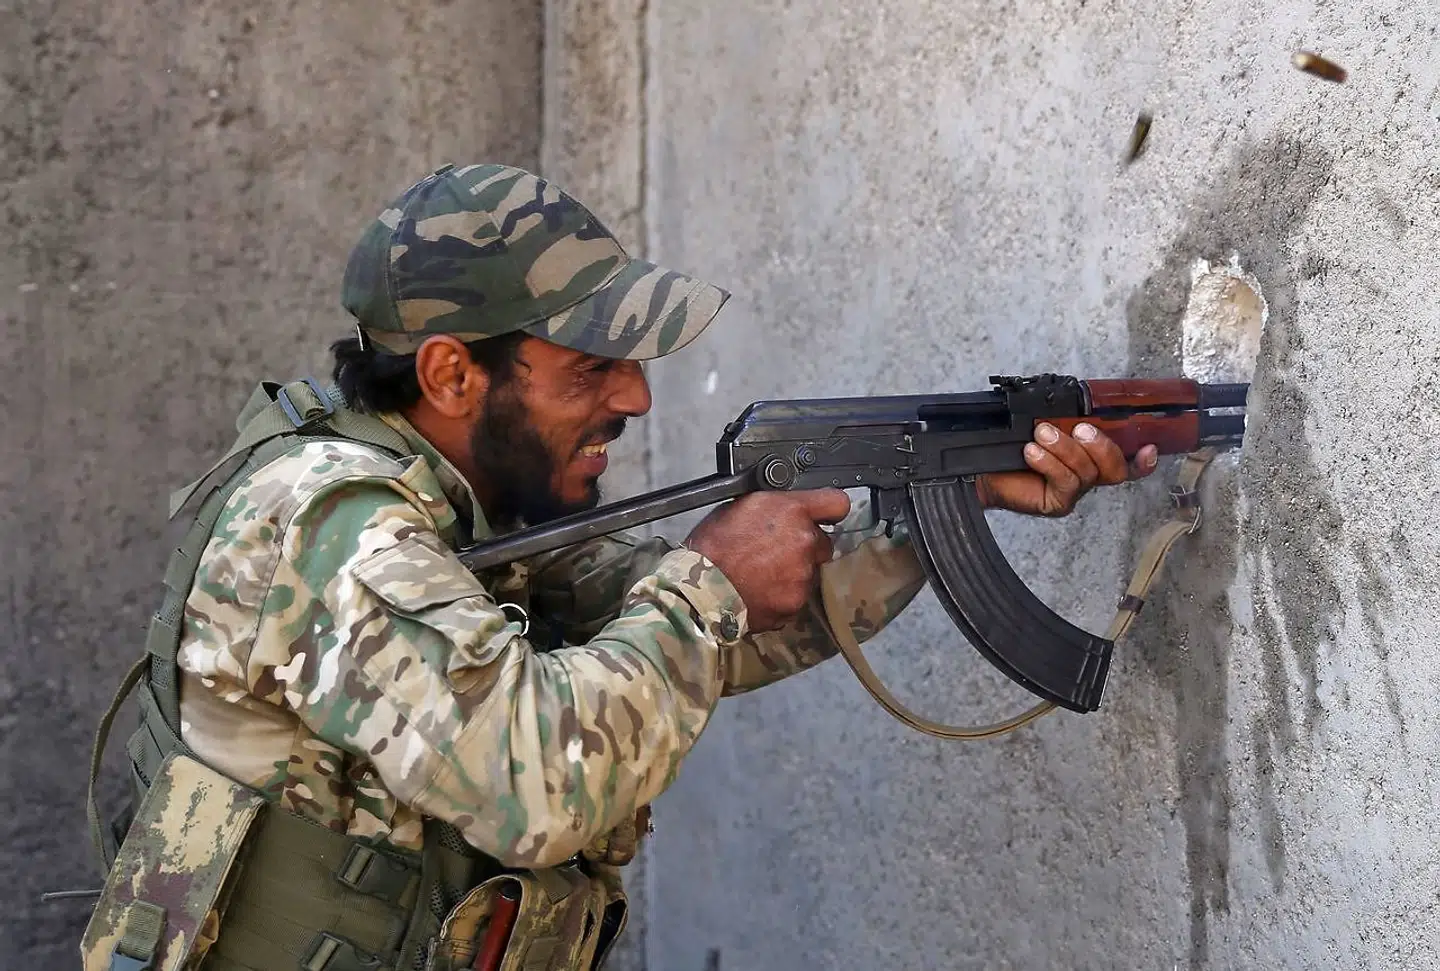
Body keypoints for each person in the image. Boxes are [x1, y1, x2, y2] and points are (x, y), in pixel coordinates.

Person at [80, 163, 1159, 971]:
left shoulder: (458, 504)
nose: (636, 399)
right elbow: (540, 778)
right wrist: (710, 582)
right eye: (591, 368)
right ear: (454, 371)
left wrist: (941, 500)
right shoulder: (328, 523)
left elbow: (690, 634)